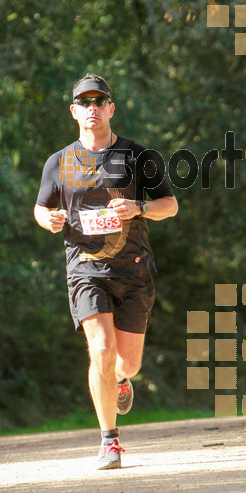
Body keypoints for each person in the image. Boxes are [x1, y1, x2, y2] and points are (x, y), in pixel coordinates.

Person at [34, 74, 178, 470]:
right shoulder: (59, 162)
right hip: (85, 268)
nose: (92, 107)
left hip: (134, 270)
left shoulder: (137, 157)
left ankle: (119, 379)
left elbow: (170, 204)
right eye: (85, 102)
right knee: (100, 349)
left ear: (111, 108)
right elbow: (40, 207)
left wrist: (140, 208)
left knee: (127, 364)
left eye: (100, 101)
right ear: (74, 111)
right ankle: (109, 442)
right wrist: (47, 218)